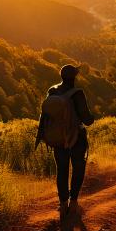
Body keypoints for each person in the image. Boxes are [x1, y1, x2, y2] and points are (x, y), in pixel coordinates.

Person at [36, 64, 94, 219]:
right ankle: (73, 202)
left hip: (58, 137)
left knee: (61, 170)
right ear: (74, 77)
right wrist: (92, 117)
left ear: (61, 76)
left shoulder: (52, 91)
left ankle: (62, 204)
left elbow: (45, 116)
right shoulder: (78, 94)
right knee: (78, 168)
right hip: (76, 137)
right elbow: (87, 119)